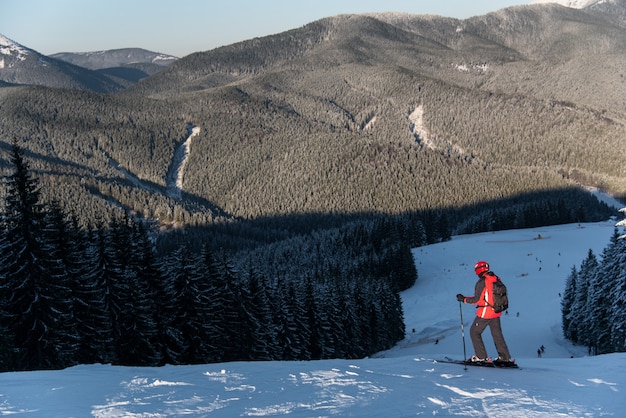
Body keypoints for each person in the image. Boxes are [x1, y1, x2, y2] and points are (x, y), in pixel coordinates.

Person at [456, 260, 512, 363]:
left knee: (474, 332)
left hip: (486, 312)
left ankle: (481, 357)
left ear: (478, 270)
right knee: (497, 335)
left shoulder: (482, 282)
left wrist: (463, 299)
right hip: (496, 311)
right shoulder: (495, 278)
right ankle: (505, 358)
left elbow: (477, 300)